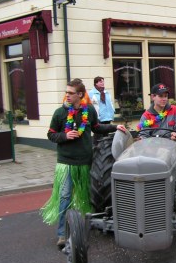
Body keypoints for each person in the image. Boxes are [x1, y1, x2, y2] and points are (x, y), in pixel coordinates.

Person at [41, 79, 126, 248]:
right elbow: (50, 135)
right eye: (66, 92)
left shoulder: (89, 111)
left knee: (89, 196)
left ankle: (91, 226)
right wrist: (65, 136)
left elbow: (96, 127)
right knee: (65, 197)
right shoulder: (59, 113)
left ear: (80, 95)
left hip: (86, 162)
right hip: (66, 163)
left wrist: (115, 128)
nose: (67, 95)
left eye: (70, 93)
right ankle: (62, 234)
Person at [137, 83, 176, 201]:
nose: (164, 99)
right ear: (153, 97)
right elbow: (143, 135)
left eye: (166, 96)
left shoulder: (175, 110)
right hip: (155, 148)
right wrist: (148, 143)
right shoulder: (146, 115)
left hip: (174, 143)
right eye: (160, 96)